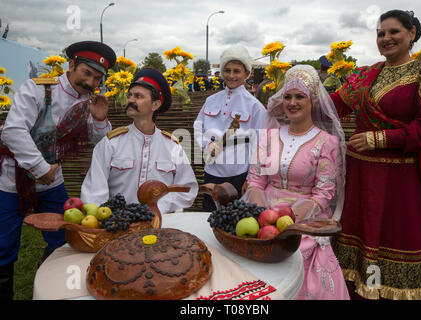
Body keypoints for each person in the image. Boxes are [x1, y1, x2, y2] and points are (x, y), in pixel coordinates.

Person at [330, 10, 421, 300]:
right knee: (359, 239)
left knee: (396, 239)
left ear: (412, 34)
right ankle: (360, 292)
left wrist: (378, 138)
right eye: (381, 33)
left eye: (393, 31)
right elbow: (334, 105)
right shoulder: (369, 74)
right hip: (360, 178)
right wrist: (298, 97)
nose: (385, 38)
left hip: (400, 181)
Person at [0, 40, 116, 300]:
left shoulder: (90, 101)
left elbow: (102, 142)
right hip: (10, 179)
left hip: (52, 183)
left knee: (64, 239)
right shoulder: (37, 89)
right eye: (86, 73)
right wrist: (40, 168)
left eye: (97, 78)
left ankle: (49, 287)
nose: (90, 82)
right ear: (71, 64)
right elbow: (13, 131)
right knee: (2, 245)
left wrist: (99, 118)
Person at [244, 64, 349, 300]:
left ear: (312, 100)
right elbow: (256, 181)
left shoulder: (327, 142)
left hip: (304, 220)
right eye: (288, 96)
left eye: (299, 96)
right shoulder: (269, 137)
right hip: (261, 210)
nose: (292, 102)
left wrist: (288, 222)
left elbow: (323, 195)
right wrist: (263, 216)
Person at [81, 68, 198, 214]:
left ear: (155, 105)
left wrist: (158, 208)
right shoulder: (110, 143)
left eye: (138, 96)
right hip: (118, 226)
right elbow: (94, 192)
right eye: (130, 95)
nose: (130, 100)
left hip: (160, 225)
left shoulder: (172, 146)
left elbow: (187, 189)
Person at [194, 45, 273, 211]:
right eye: (227, 70)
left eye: (236, 71)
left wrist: (251, 179)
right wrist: (207, 144)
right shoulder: (211, 101)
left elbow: (261, 144)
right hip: (212, 171)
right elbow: (198, 126)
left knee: (234, 220)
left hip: (238, 174)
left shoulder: (255, 106)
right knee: (209, 215)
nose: (231, 75)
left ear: (247, 73)